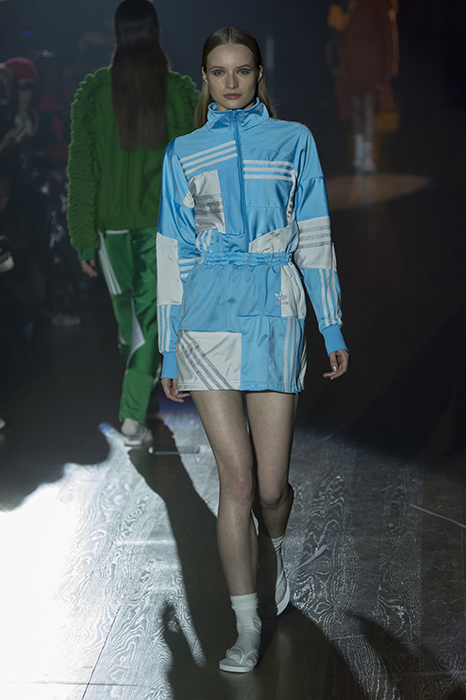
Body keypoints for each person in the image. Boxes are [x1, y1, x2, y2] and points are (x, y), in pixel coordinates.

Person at [157, 27, 349, 672]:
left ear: (259, 74)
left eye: (241, 70)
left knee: (270, 488)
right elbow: (173, 254)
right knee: (235, 480)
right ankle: (245, 625)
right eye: (218, 71)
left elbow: (315, 235)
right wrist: (169, 348)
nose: (231, 82)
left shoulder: (294, 141)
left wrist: (332, 325)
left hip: (274, 309)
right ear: (204, 79)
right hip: (207, 315)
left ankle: (277, 548)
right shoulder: (184, 153)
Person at [67, 0, 199, 445]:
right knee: (140, 326)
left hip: (113, 232)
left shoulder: (94, 94)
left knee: (137, 323)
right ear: (156, 32)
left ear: (117, 35)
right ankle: (138, 397)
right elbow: (193, 167)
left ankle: (130, 413)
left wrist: (84, 237)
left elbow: (82, 170)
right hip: (161, 228)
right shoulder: (177, 93)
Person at [327, 0, 399, 172]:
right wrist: (336, 63)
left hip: (371, 63)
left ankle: (367, 154)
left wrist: (389, 66)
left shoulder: (379, 4)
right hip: (351, 62)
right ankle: (360, 151)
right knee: (356, 108)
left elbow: (388, 35)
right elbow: (336, 32)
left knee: (368, 107)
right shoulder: (347, 5)